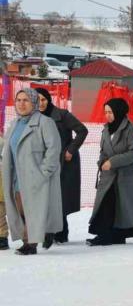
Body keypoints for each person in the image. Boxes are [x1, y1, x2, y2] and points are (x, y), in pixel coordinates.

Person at [2, 88, 63, 255]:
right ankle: (38, 234)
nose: (21, 104)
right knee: (21, 210)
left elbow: (54, 149)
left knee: (33, 210)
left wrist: (43, 173)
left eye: (26, 100)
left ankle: (30, 243)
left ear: (34, 102)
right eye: (18, 100)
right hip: (17, 177)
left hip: (36, 178)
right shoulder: (14, 124)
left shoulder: (45, 122)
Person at [87, 98, 133, 246]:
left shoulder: (131, 130)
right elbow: (103, 151)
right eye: (105, 112)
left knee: (131, 207)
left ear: (119, 111)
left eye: (110, 112)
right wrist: (101, 162)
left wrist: (112, 162)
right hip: (109, 176)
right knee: (107, 204)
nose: (107, 115)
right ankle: (106, 235)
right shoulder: (106, 129)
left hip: (128, 176)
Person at [35, 87, 88, 244]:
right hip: (44, 162)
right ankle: (48, 232)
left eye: (43, 99)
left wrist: (70, 150)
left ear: (48, 100)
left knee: (60, 198)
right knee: (46, 197)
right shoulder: (33, 117)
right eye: (37, 100)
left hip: (64, 163)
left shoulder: (62, 115)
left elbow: (82, 130)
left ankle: (61, 234)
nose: (41, 103)